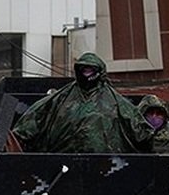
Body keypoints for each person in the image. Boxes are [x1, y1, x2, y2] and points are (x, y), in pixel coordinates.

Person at [12, 52, 153, 153]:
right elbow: (35, 116)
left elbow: (140, 131)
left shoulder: (116, 102)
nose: (87, 73)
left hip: (105, 165)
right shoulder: (61, 98)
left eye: (91, 69)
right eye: (84, 69)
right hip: (63, 164)